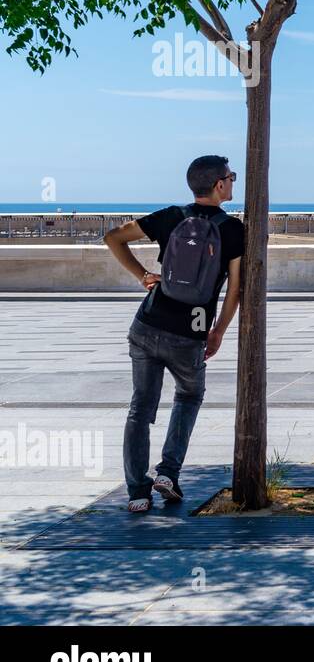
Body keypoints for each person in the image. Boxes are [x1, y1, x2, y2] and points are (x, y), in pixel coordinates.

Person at [104, 156, 245, 513]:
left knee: (140, 409)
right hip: (191, 330)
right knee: (189, 396)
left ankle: (138, 492)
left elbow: (113, 237)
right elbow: (234, 291)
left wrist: (142, 275)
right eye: (231, 178)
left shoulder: (171, 216)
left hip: (148, 322)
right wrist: (218, 331)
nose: (232, 182)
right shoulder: (231, 230)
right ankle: (167, 472)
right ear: (218, 185)